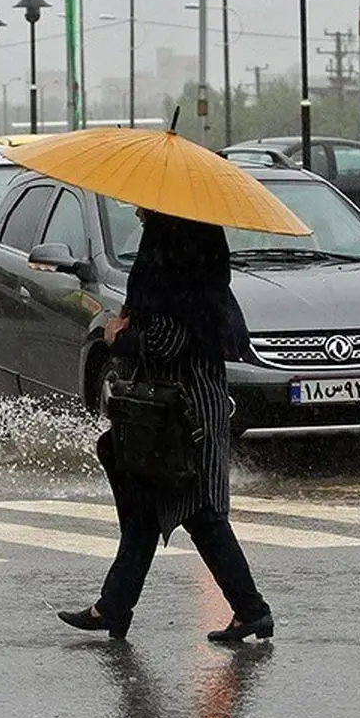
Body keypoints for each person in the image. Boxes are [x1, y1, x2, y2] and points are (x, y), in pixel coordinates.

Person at [58, 208, 273, 643]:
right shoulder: (190, 267)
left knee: (201, 514)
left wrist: (118, 336)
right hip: (167, 411)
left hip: (181, 414)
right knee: (145, 510)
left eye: (146, 208)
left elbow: (167, 341)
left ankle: (252, 610)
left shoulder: (180, 277)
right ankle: (114, 606)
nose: (138, 212)